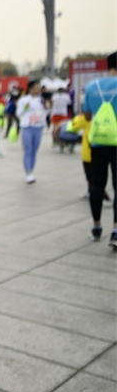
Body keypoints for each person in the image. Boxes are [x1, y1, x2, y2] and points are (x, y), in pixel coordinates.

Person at [82, 50, 117, 246]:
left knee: (97, 185)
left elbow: (86, 115)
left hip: (97, 142)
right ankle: (115, 230)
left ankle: (96, 227)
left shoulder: (92, 86)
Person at [16, 80, 46, 184]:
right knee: (28, 150)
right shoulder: (24, 100)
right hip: (27, 127)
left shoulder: (41, 100)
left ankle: (31, 171)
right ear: (30, 89)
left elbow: (44, 113)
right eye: (35, 88)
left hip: (38, 127)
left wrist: (44, 124)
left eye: (38, 88)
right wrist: (25, 108)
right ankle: (28, 173)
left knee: (34, 151)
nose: (37, 90)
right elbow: (19, 113)